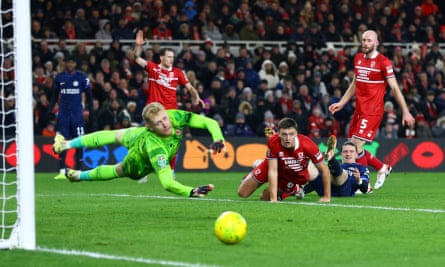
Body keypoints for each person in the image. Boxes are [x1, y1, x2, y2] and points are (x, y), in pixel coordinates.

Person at [52, 102, 225, 198]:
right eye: (159, 123)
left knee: (115, 137)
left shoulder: (174, 117)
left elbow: (209, 122)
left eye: (165, 118)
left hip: (139, 134)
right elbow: (167, 183)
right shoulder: (156, 148)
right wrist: (190, 191)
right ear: (150, 126)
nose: (166, 124)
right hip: (138, 161)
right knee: (116, 166)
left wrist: (218, 138)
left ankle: (73, 161)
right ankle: (70, 153)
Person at [328, 30, 415, 191]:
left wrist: (405, 111)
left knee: (354, 146)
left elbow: (394, 87)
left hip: (372, 111)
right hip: (359, 110)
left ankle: (363, 183)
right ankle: (381, 168)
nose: (365, 43)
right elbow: (355, 82)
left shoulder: (384, 62)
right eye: (363, 40)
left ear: (376, 43)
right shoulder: (358, 58)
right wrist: (342, 102)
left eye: (369, 41)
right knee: (353, 147)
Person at [237, 117, 331, 203]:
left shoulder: (308, 145)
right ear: (278, 134)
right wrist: (274, 200)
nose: (287, 138)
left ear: (296, 133)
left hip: (290, 176)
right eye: (284, 134)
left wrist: (327, 196)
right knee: (242, 193)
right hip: (270, 166)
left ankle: (294, 188)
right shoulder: (273, 141)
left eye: (291, 134)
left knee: (264, 198)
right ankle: (258, 167)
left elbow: (324, 169)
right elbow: (273, 170)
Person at [133, 30, 204, 110]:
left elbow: (190, 88)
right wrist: (138, 46)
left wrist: (197, 97)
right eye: (169, 57)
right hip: (154, 109)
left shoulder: (178, 72)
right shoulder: (152, 67)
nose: (171, 60)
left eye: (173, 57)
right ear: (162, 58)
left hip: (171, 110)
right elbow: (136, 58)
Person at [49, 55, 92, 180]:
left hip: (77, 115)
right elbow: (53, 96)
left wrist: (90, 111)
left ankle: (78, 170)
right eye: (69, 62)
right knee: (61, 141)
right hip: (64, 114)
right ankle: (62, 171)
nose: (71, 65)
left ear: (75, 64)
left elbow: (89, 95)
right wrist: (50, 110)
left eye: (73, 62)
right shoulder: (59, 77)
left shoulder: (82, 77)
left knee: (79, 141)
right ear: (65, 63)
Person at [304, 136, 371, 197]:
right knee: (314, 169)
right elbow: (315, 182)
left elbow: (364, 190)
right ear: (341, 154)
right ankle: (331, 158)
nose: (348, 154)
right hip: (326, 190)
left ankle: (331, 158)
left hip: (344, 190)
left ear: (356, 155)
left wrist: (359, 180)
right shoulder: (338, 166)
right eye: (345, 151)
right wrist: (302, 191)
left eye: (351, 151)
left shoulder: (362, 168)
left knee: (342, 173)